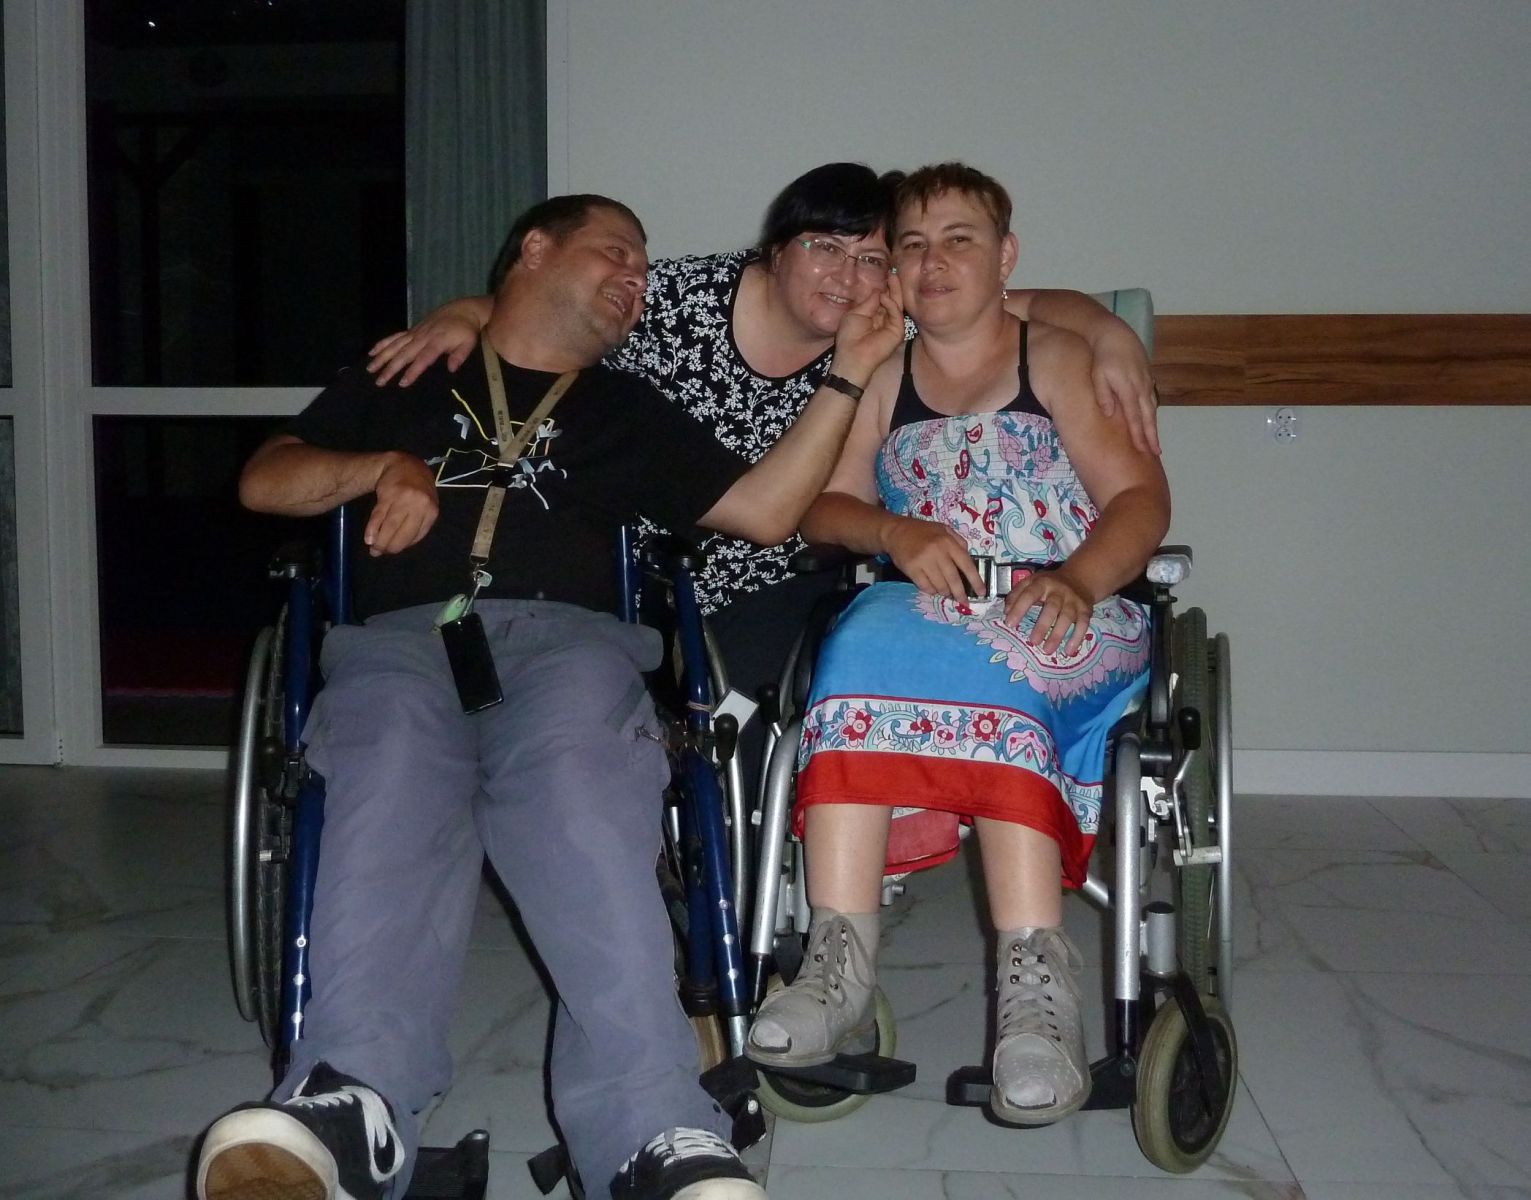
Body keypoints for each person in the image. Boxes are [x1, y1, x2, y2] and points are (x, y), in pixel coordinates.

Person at [194, 193, 905, 1200]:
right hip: (403, 643)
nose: (634, 279)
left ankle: (652, 1131)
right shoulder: (407, 375)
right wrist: (381, 467)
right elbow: (265, 480)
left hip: (570, 648)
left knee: (586, 808)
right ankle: (352, 1103)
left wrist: (847, 375)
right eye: (614, 252)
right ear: (533, 249)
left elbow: (766, 511)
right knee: (386, 777)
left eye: (644, 270)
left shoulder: (626, 410)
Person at [365, 163, 1161, 786]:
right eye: (823, 247)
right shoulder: (679, 302)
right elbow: (555, 304)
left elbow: (1007, 299)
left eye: (871, 259)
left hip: (777, 574)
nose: (845, 276)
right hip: (633, 570)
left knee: (747, 719)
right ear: (775, 250)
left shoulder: (881, 329)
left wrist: (1108, 331)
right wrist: (463, 313)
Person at [742, 163, 1171, 1128]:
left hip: (1070, 604)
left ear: (1004, 257)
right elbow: (826, 506)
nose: (933, 261)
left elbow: (1140, 500)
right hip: (929, 607)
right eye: (913, 245)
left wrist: (1077, 579)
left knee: (998, 670)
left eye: (959, 240)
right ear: (893, 268)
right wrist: (892, 531)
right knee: (849, 656)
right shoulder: (883, 375)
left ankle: (1037, 1002)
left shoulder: (1055, 358)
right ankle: (837, 966)